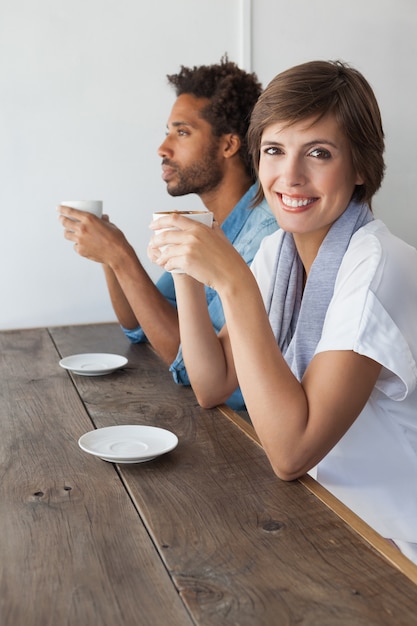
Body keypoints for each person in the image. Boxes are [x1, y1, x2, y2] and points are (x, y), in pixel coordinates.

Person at [148, 60, 417, 564]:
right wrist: (185, 264)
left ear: (361, 167)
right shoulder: (282, 251)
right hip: (331, 516)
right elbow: (213, 384)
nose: (289, 176)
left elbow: (291, 454)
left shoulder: (378, 270)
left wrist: (234, 282)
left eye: (318, 153)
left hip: (397, 546)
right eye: (274, 150)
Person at [58, 57, 278, 410]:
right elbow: (141, 324)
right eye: (167, 131)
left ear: (228, 145)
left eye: (182, 132)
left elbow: (189, 361)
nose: (163, 148)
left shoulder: (267, 236)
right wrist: (110, 254)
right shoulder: (208, 224)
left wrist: (120, 256)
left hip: (243, 430)